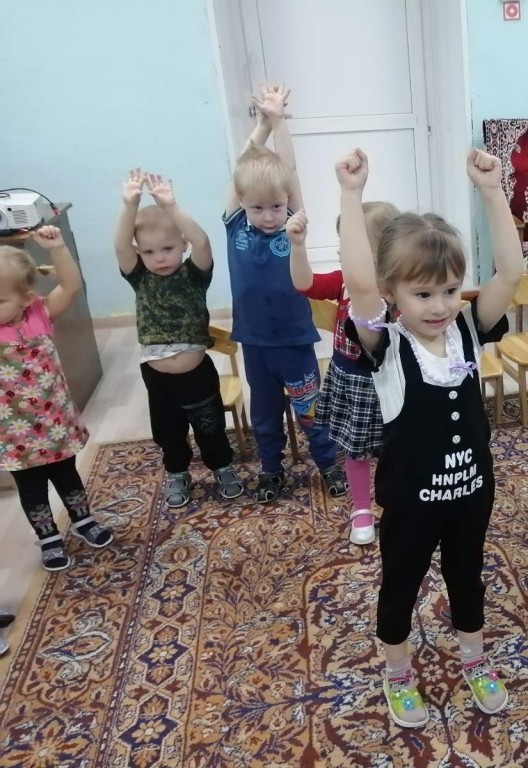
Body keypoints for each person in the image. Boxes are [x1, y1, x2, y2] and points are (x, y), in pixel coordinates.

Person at [337, 146, 523, 727]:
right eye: (422, 294)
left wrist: (492, 192)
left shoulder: (468, 328)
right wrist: (350, 196)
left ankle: (474, 659)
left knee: (468, 581)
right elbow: (357, 281)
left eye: (449, 290)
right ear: (391, 292)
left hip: (471, 496)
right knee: (400, 586)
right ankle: (397, 671)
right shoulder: (386, 345)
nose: (440, 306)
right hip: (412, 505)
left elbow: (511, 273)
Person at [224, 82, 345, 502]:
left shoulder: (292, 223)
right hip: (255, 343)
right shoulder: (235, 226)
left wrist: (280, 124)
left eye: (276, 206)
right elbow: (242, 170)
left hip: (294, 341)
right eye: (257, 208)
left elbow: (289, 173)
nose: (269, 216)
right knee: (265, 415)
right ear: (243, 203)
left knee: (310, 410)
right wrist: (261, 127)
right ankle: (271, 470)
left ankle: (328, 464)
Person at [115, 169, 244, 507]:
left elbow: (203, 242)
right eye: (149, 252)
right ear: (139, 253)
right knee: (167, 430)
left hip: (197, 373)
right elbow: (120, 245)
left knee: (210, 426)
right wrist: (130, 205)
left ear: (182, 245)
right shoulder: (139, 278)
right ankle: (177, 472)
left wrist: (170, 206)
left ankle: (222, 467)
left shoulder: (194, 275)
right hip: (157, 378)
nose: (159, 257)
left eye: (168, 248)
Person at [0, 227, 113, 570]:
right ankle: (48, 537)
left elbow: (71, 285)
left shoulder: (39, 314)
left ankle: (83, 519)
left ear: (26, 298)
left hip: (55, 423)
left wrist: (58, 249)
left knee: (67, 475)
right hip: (14, 434)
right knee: (31, 488)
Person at [287, 201, 400, 544]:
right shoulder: (342, 281)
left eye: (347, 246)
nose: (339, 252)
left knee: (397, 448)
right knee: (355, 449)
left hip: (389, 383)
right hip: (350, 381)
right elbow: (304, 283)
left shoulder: (398, 290)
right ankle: (361, 508)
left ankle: (400, 502)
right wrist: (297, 246)